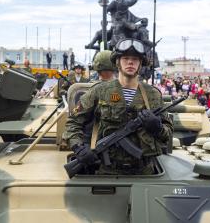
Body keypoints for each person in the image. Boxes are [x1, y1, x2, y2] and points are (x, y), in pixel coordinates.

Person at [63, 38, 173, 175]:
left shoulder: (153, 95)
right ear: (118, 62)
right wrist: (79, 148)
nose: (130, 62)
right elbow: (73, 123)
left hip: (145, 173)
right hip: (108, 171)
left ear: (140, 64)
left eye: (135, 59)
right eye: (125, 58)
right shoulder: (100, 91)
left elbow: (167, 134)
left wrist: (157, 127)